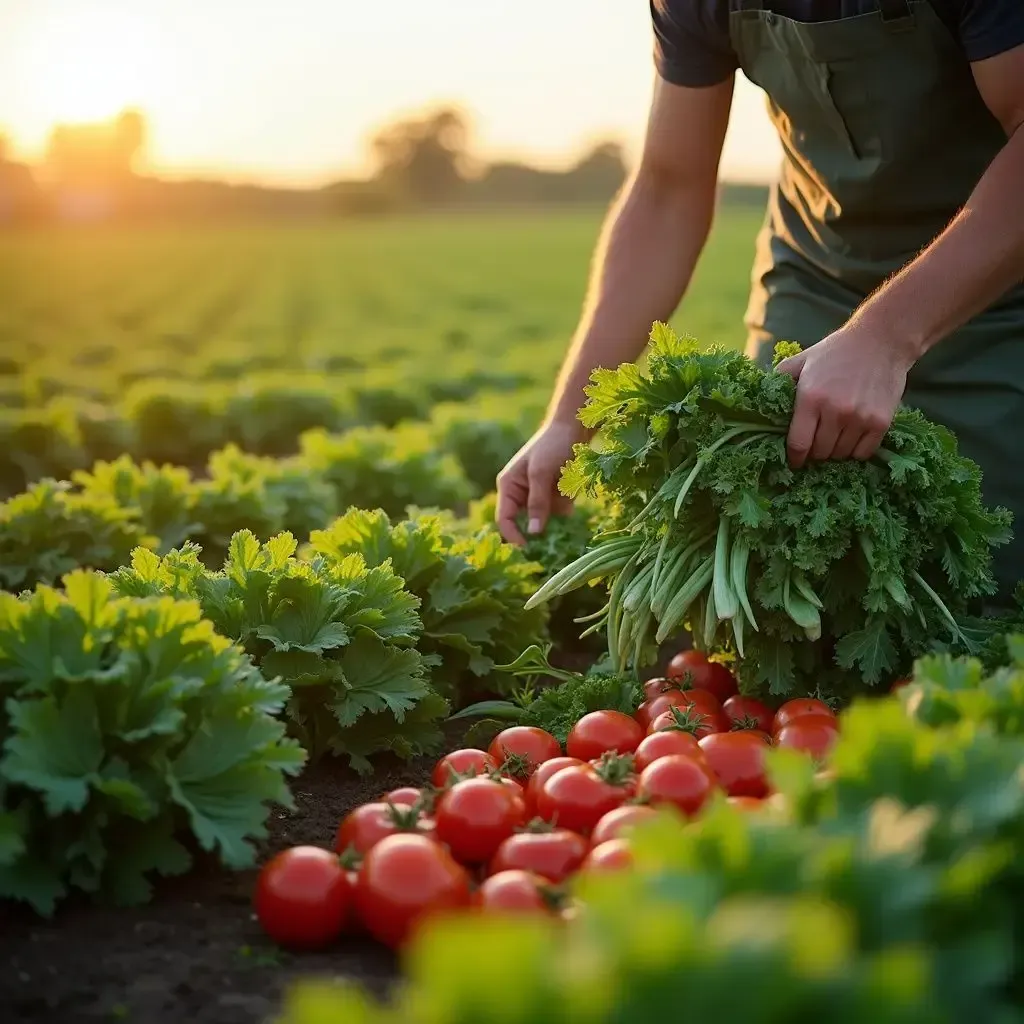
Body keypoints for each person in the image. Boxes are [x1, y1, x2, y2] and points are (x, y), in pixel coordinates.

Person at [495, 0, 1024, 601]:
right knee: (784, 581)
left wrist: (885, 336)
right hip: (818, 274)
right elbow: (670, 187)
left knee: (989, 595)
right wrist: (570, 417)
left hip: (1000, 282)